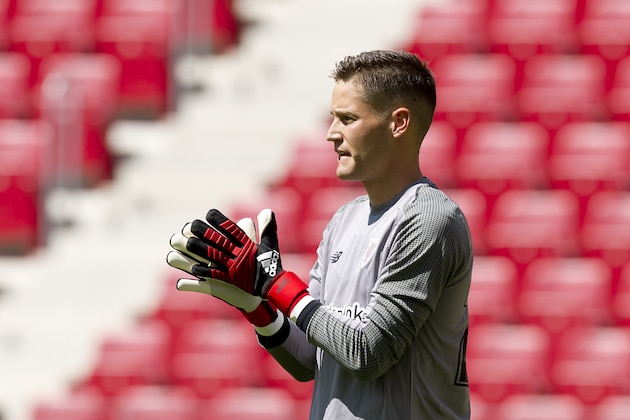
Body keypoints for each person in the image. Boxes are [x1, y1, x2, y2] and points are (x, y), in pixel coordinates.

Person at [167, 49, 473, 419]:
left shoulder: (429, 219)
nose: (331, 134)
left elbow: (369, 353)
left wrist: (277, 284)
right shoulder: (344, 220)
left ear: (399, 123)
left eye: (348, 119)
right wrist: (256, 304)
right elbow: (310, 360)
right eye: (333, 118)